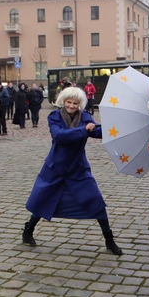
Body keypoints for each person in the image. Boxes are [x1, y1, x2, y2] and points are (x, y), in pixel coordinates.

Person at [22, 87, 123, 255]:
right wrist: (84, 130)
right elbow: (60, 136)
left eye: (75, 103)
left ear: (79, 104)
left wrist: (115, 129)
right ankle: (28, 230)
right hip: (55, 168)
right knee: (43, 201)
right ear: (63, 101)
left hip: (78, 169)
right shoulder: (54, 117)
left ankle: (109, 240)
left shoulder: (85, 117)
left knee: (96, 200)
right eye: (68, 102)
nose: (71, 106)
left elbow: (97, 131)